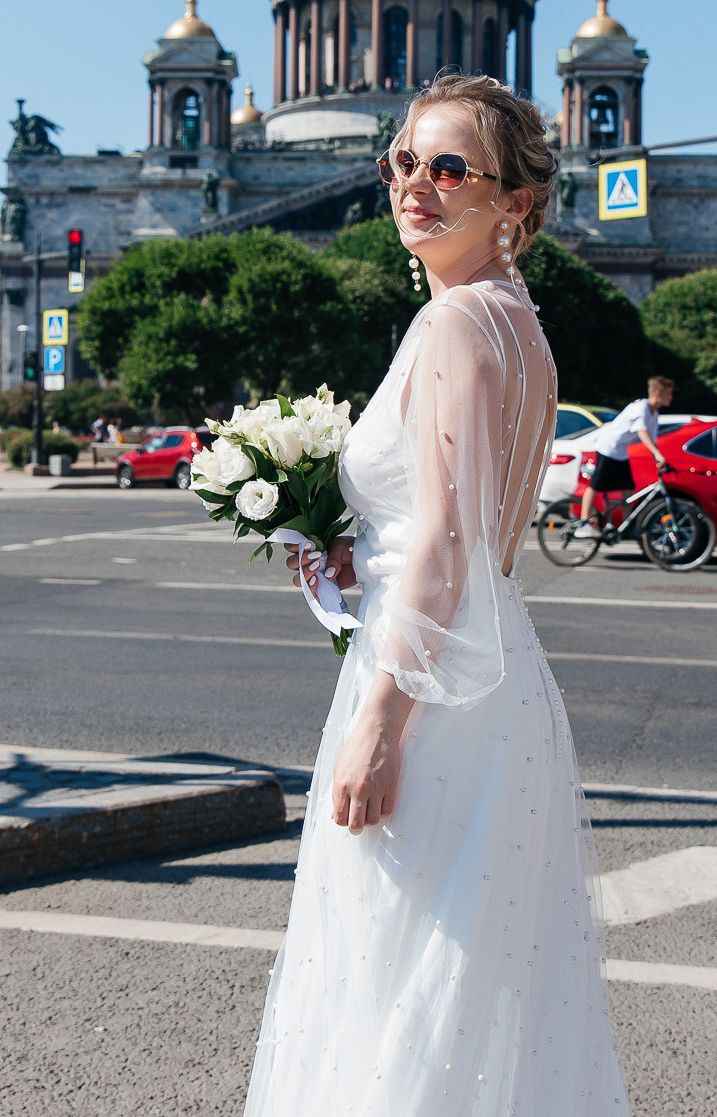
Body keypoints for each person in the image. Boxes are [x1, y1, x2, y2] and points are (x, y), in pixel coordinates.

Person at [256, 73, 627, 1113]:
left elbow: (452, 542)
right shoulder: (522, 329)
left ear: (512, 203)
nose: (414, 185)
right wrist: (352, 552)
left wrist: (377, 722)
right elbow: (454, 530)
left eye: (449, 167)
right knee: (472, 990)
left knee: (399, 984)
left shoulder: (455, 325)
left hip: (427, 690)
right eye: (402, 162)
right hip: (489, 675)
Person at [575, 376, 673, 537]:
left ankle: (626, 524)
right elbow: (642, 432)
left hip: (620, 452)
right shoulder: (641, 407)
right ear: (658, 393)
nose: (671, 397)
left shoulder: (654, 415)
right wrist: (657, 455)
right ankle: (583, 523)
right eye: (668, 393)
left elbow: (653, 441)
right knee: (595, 485)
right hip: (607, 448)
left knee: (628, 487)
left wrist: (660, 459)